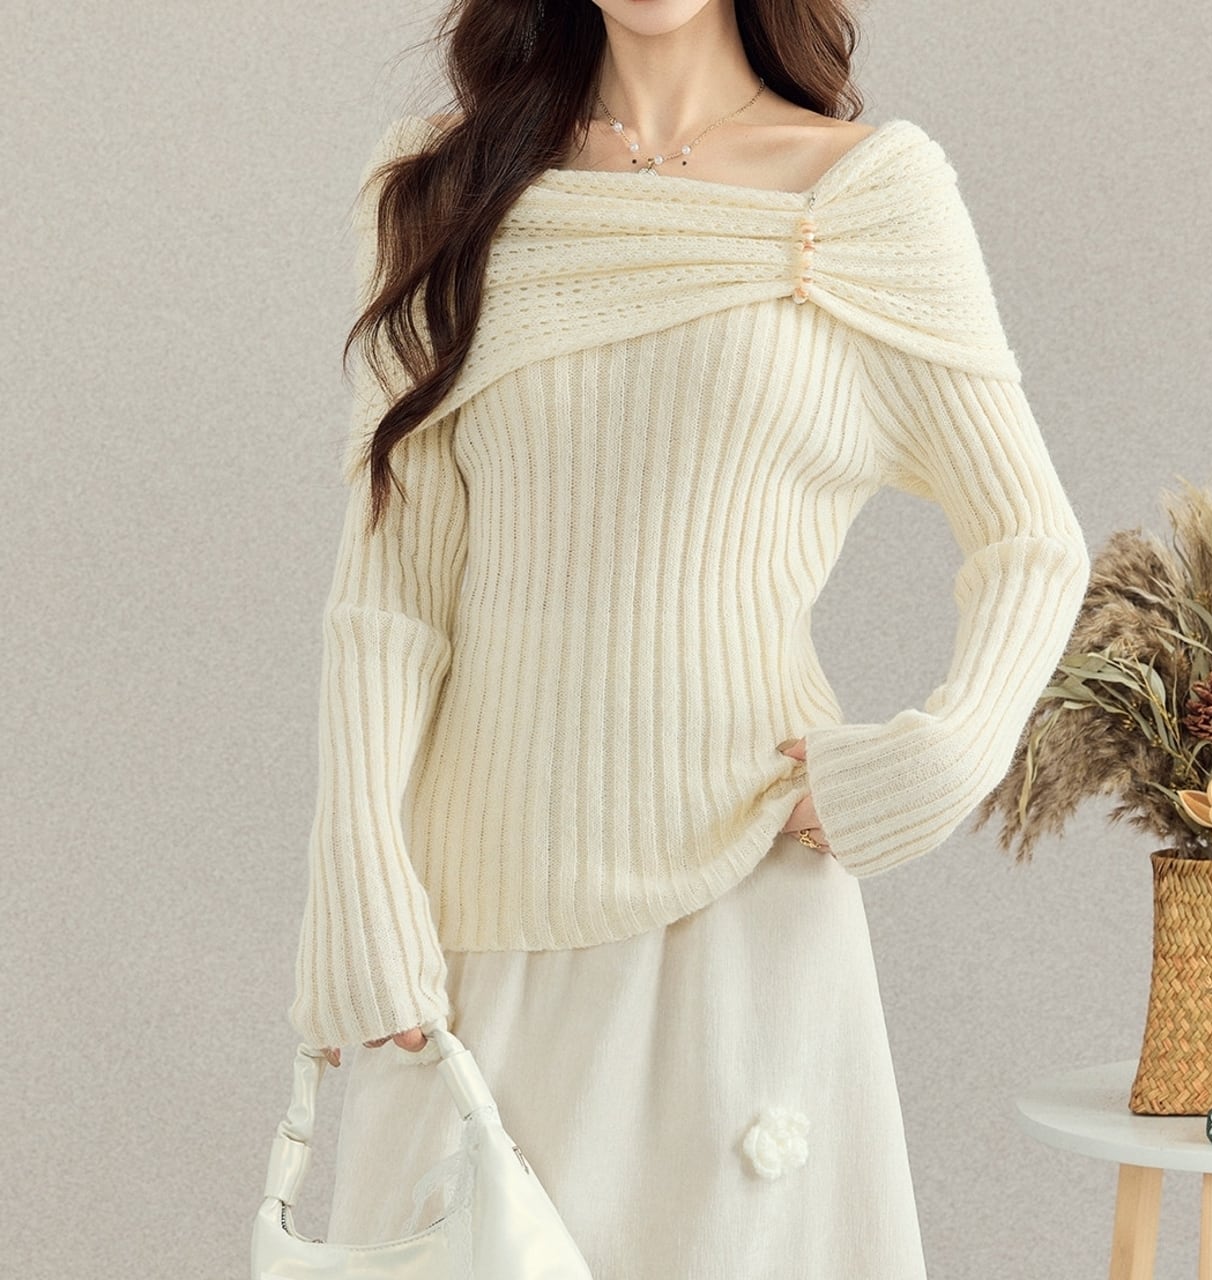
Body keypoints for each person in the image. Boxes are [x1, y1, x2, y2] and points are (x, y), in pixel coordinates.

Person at [285, 1, 1091, 1274]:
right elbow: (390, 592)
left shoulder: (861, 203)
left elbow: (1029, 540)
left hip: (736, 902)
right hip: (474, 920)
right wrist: (357, 874)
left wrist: (943, 754)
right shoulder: (442, 189)